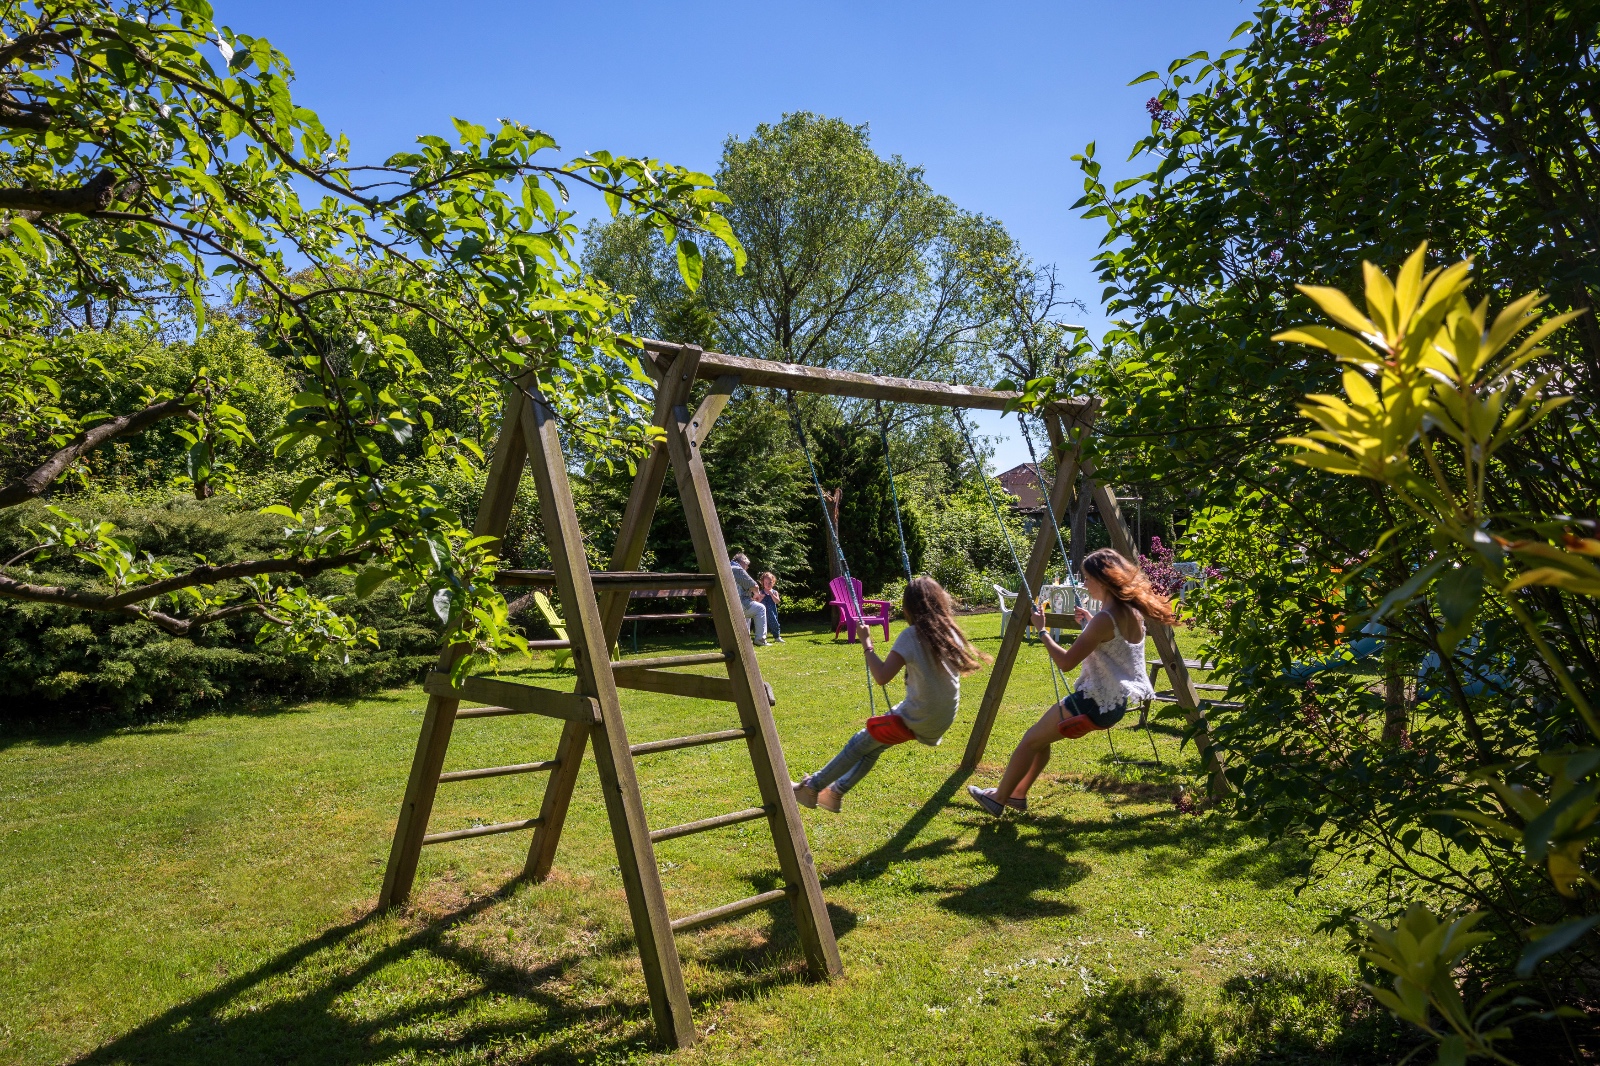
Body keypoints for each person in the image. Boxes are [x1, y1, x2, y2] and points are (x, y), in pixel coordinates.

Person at [968, 547, 1172, 816]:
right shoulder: (1131, 613)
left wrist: (1042, 630)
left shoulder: (1105, 619)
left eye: (1087, 579)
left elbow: (1066, 663)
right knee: (1039, 741)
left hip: (1093, 701)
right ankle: (1017, 795)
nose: (1084, 585)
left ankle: (998, 798)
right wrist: (1089, 622)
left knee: (1029, 741)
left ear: (1103, 580)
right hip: (1114, 704)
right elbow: (1113, 645)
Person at [794, 576, 987, 813]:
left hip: (920, 715)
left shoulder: (912, 635)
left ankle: (811, 788)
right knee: (874, 745)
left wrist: (867, 643)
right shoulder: (949, 632)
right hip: (942, 717)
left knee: (859, 742)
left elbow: (882, 676)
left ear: (909, 607)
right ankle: (834, 794)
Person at [730, 552, 768, 646]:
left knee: (750, 609)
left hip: (727, 603)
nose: (747, 567)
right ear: (743, 561)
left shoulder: (726, 568)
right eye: (747, 565)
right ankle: (760, 639)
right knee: (760, 608)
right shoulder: (737, 569)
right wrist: (757, 595)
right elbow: (754, 586)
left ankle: (744, 640)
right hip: (737, 604)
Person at [756, 571, 784, 643]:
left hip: (772, 612)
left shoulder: (774, 592)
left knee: (774, 623)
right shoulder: (761, 592)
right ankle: (762, 638)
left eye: (770, 583)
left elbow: (777, 601)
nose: (768, 585)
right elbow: (756, 602)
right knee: (762, 625)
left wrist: (772, 595)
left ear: (773, 582)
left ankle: (777, 637)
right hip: (762, 613)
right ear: (763, 583)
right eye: (766, 583)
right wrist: (760, 598)